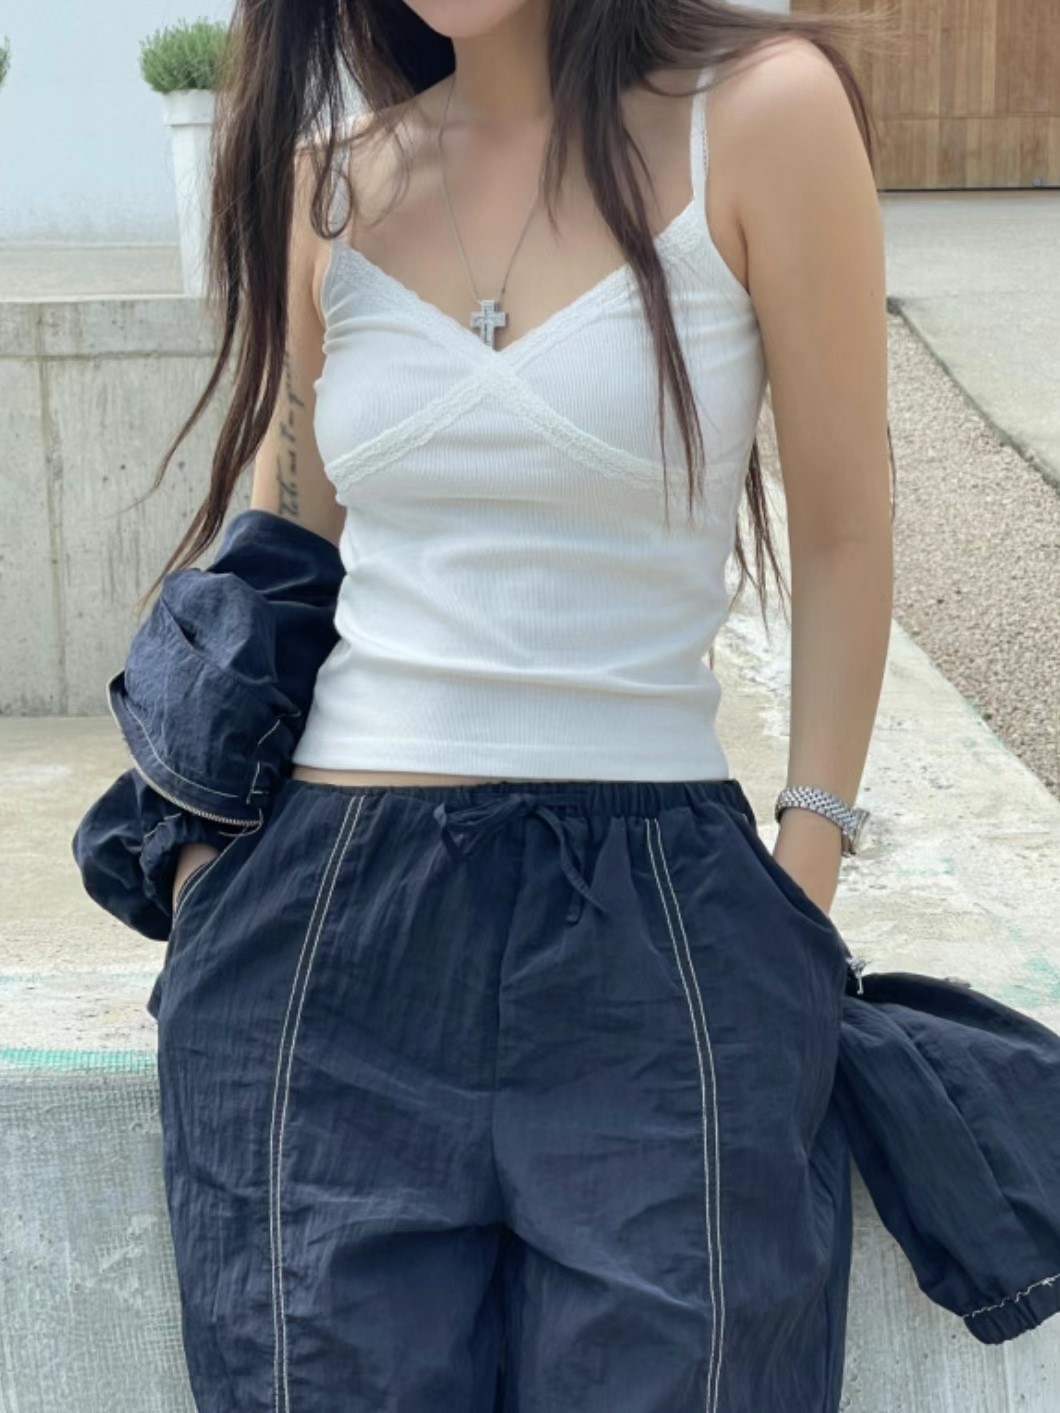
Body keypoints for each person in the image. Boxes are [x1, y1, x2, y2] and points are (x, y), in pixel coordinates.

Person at [70, 2, 1060, 1410]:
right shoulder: (329, 183)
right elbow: (289, 544)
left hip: (658, 912)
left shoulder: (761, 116)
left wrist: (802, 875)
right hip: (326, 928)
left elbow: (846, 530)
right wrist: (205, 867)